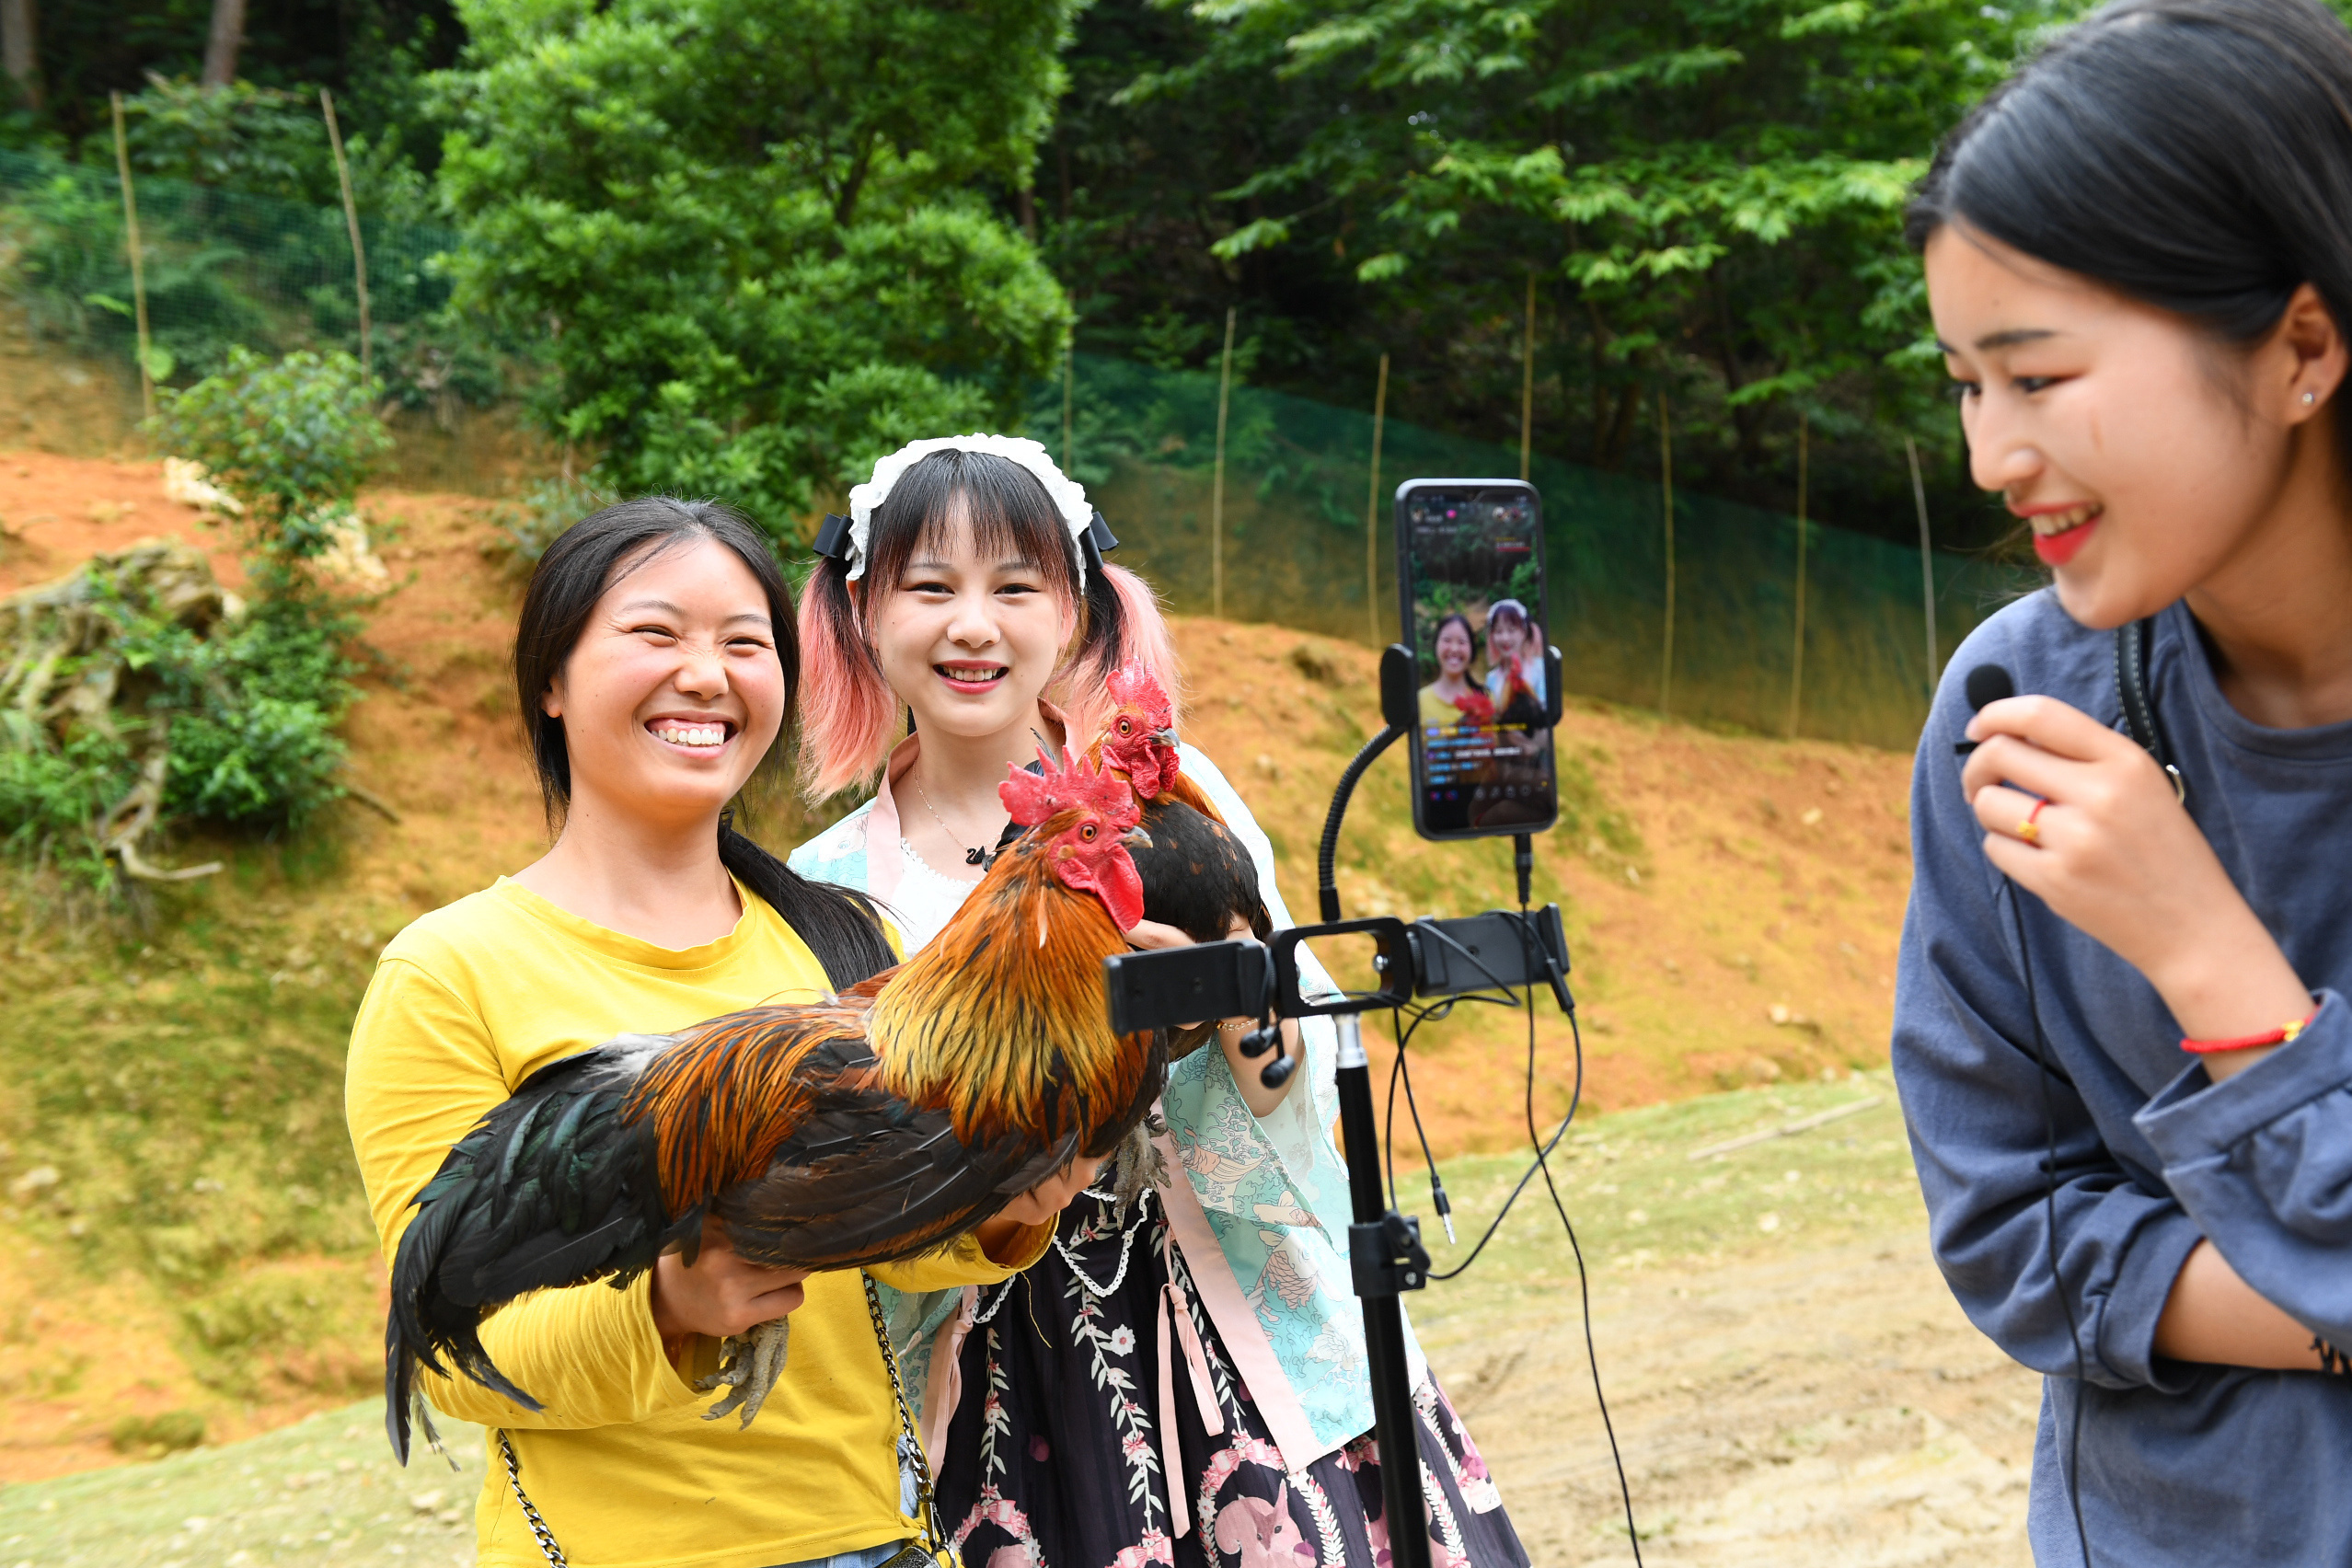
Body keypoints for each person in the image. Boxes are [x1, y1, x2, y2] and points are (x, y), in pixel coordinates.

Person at [790, 436, 1527, 1568]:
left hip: (1242, 1322)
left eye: (1015, 587)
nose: (972, 626)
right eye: (929, 588)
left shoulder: (1174, 798)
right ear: (862, 613)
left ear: (1076, 607)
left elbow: (1313, 1054)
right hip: (993, 1367)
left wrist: (1232, 996)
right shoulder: (825, 887)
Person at [345, 498, 1089, 1568]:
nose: (707, 675)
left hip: (874, 1539)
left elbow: (898, 1244)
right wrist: (668, 1310)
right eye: (657, 635)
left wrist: (1008, 1207)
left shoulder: (841, 936)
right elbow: (447, 1352)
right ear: (550, 681)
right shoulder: (450, 973)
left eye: (746, 644)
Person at [1895, 3, 2352, 1561]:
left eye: (2035, 373)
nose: (1989, 453)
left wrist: (2203, 951)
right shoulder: (2011, 703)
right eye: (1965, 382)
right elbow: (2013, 1231)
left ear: (2300, 347)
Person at [1416, 612, 1490, 729]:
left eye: (1461, 642)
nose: (1454, 649)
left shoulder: (1487, 699)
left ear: (1472, 648)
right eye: (1447, 640)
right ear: (1436, 645)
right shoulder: (1419, 702)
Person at [1481, 598, 1545, 716]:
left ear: (1524, 633)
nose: (1505, 638)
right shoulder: (1491, 678)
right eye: (1498, 631)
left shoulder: (1540, 669)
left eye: (1511, 630)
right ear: (1492, 636)